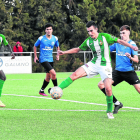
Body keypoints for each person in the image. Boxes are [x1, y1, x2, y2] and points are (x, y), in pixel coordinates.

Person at [53, 21, 138, 119]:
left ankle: (109, 111)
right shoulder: (88, 41)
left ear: (96, 29)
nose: (90, 33)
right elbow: (78, 49)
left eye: (91, 31)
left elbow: (119, 41)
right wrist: (64, 52)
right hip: (93, 63)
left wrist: (131, 46)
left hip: (105, 65)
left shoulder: (105, 37)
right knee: (75, 75)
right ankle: (58, 89)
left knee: (108, 88)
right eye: (88, 31)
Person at [98, 25, 140, 114]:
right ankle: (117, 103)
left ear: (128, 32)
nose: (122, 35)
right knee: (101, 85)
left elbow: (136, 60)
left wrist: (130, 57)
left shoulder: (132, 44)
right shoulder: (117, 43)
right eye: (120, 33)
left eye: (123, 33)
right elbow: (106, 49)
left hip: (129, 72)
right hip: (117, 72)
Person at [34, 23, 60, 96]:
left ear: (52, 30)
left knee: (48, 77)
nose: (49, 31)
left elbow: (57, 46)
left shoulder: (55, 38)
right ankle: (57, 90)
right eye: (47, 29)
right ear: (45, 30)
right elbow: (35, 46)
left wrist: (58, 55)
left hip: (50, 59)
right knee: (54, 73)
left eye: (50, 29)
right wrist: (35, 56)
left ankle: (41, 90)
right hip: (43, 59)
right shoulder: (41, 38)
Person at [0, 34, 15, 107]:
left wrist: (11, 52)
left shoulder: (1, 36)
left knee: (2, 77)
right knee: (2, 76)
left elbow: (7, 45)